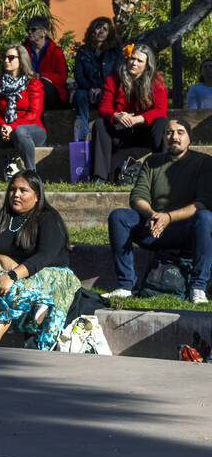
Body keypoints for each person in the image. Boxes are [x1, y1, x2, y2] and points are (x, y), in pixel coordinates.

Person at [0, 171, 80, 349]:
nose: (16, 194)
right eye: (12, 189)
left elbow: (44, 256)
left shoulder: (48, 218)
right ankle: (31, 304)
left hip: (50, 276)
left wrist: (12, 275)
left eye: (23, 190)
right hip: (14, 279)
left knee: (4, 295)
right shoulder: (2, 217)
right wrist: (2, 259)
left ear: (37, 196)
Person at [105, 119, 212, 303]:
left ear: (190, 139)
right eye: (169, 132)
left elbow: (203, 202)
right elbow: (137, 196)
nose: (174, 137)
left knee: (206, 218)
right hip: (154, 227)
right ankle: (126, 285)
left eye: (180, 132)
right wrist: (154, 215)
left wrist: (168, 217)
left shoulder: (203, 163)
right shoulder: (152, 161)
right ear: (163, 137)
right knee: (119, 216)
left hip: (187, 230)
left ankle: (198, 287)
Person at [90, 44, 168, 183]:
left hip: (145, 131)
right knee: (100, 124)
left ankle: (161, 174)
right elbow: (103, 108)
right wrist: (115, 115)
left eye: (139, 61)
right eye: (132, 59)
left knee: (161, 122)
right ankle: (99, 177)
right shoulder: (113, 79)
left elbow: (160, 110)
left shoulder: (156, 80)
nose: (134, 63)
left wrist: (139, 118)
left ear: (147, 65)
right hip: (121, 131)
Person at [0, 44, 46, 183]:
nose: (6, 61)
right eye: (4, 57)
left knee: (20, 131)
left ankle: (32, 175)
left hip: (31, 130)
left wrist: (13, 126)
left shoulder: (33, 83)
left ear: (21, 60)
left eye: (10, 58)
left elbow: (34, 113)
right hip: (6, 129)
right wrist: (4, 125)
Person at [73, 16, 122, 139]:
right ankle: (84, 134)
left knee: (104, 96)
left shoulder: (115, 52)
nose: (101, 32)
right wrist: (90, 88)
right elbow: (79, 75)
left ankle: (103, 133)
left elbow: (117, 75)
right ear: (92, 30)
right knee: (80, 95)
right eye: (98, 28)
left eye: (104, 29)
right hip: (87, 89)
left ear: (109, 33)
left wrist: (101, 88)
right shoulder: (83, 51)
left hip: (106, 89)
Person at [23, 15, 68, 110]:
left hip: (50, 92)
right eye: (28, 30)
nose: (29, 32)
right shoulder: (23, 50)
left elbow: (62, 78)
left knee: (40, 85)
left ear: (44, 32)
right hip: (27, 89)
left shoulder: (56, 52)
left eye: (33, 29)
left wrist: (40, 75)